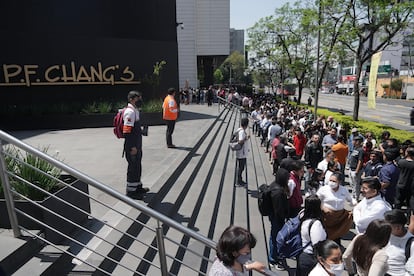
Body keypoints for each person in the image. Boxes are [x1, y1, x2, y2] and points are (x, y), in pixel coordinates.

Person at [123, 91, 149, 200]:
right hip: (132, 146)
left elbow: (134, 129)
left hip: (137, 144)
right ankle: (131, 191)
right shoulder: (130, 112)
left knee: (137, 166)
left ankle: (137, 187)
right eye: (138, 98)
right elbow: (127, 131)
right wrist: (132, 147)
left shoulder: (135, 111)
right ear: (132, 99)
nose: (140, 101)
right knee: (133, 168)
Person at [317, 172, 356, 243]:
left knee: (337, 236)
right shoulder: (323, 189)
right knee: (325, 235)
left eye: (334, 181)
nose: (331, 182)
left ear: (339, 182)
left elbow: (350, 200)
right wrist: (322, 207)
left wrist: (355, 204)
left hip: (339, 217)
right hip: (326, 216)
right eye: (330, 180)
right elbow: (316, 200)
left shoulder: (344, 190)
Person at [296, 195, 327, 276]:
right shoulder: (316, 224)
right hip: (311, 258)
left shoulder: (302, 215)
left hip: (302, 255)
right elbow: (317, 244)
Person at [268, 168, 291, 270]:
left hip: (273, 216)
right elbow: (279, 209)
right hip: (277, 218)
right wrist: (285, 218)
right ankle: (273, 259)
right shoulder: (279, 192)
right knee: (275, 237)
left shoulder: (274, 185)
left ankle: (273, 256)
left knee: (273, 235)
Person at [383, 209, 414, 276]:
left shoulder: (411, 244)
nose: (385, 228)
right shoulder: (386, 235)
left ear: (398, 228)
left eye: (388, 226)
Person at [395, 146, 414, 211]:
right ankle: (409, 218)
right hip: (411, 186)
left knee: (398, 201)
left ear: (407, 153)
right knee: (409, 203)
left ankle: (396, 216)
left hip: (401, 183)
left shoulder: (401, 162)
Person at [349, 135, 365, 201]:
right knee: (352, 183)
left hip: (356, 170)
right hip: (351, 168)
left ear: (358, 141)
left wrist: (357, 170)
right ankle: (353, 195)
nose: (353, 142)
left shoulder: (361, 150)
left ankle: (356, 197)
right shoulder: (355, 148)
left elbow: (360, 161)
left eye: (354, 140)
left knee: (356, 184)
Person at [235, 118, 250, 186]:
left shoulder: (239, 130)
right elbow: (240, 141)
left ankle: (239, 180)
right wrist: (246, 138)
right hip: (241, 153)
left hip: (241, 152)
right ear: (246, 125)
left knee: (241, 167)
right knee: (241, 167)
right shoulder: (242, 132)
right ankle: (239, 181)